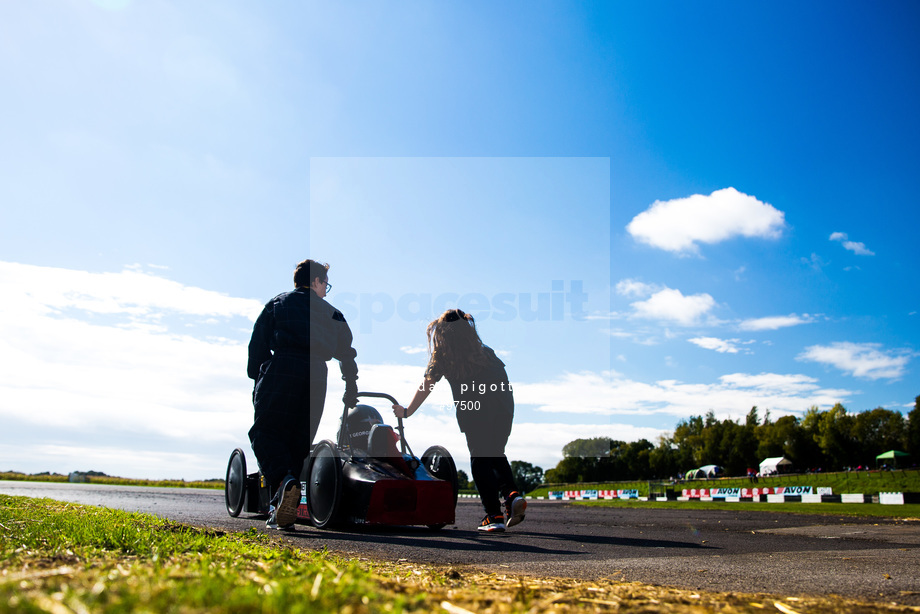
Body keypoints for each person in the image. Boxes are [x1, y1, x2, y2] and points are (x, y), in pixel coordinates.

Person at [247, 259, 359, 529]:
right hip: (317, 375)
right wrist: (351, 386)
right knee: (298, 442)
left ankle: (286, 484)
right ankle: (280, 507)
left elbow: (257, 344)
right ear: (317, 282)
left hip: (283, 368)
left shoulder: (278, 303)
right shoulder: (334, 314)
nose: (325, 291)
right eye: (325, 285)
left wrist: (258, 375)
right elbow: (347, 354)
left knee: (265, 433)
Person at [393, 308, 526, 532]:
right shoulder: (485, 352)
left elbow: (427, 385)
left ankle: (493, 516)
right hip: (503, 406)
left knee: (480, 458)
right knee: (494, 453)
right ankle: (511, 495)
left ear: (442, 332)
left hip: (475, 410)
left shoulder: (444, 355)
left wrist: (407, 411)